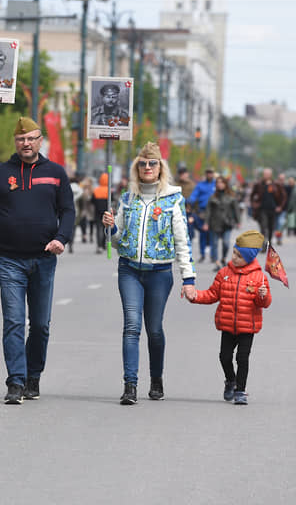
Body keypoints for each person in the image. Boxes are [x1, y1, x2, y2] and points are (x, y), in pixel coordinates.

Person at [0, 117, 75, 404]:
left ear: (40, 140)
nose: (26, 144)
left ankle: (34, 375)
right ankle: (15, 381)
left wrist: (61, 238)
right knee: (14, 322)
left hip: (44, 258)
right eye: (21, 139)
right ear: (15, 142)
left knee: (40, 324)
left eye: (31, 138)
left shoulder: (55, 173)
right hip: (9, 260)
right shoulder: (0, 173)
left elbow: (68, 211)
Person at [101, 142, 196, 405]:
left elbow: (182, 241)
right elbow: (118, 240)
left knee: (153, 329)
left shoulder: (173, 199)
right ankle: (130, 385)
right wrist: (109, 229)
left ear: (160, 167)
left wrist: (188, 279)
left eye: (152, 163)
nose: (147, 168)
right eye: (142, 164)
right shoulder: (127, 198)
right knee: (131, 326)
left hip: (159, 272)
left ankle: (156, 378)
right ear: (136, 168)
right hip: (129, 269)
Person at [188, 230, 272, 405]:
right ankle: (230, 380)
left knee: (242, 358)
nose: (234, 257)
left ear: (249, 258)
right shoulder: (224, 273)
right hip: (227, 325)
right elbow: (212, 294)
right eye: (234, 252)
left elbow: (264, 303)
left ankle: (240, 391)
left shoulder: (259, 278)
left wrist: (262, 295)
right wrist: (195, 296)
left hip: (247, 326)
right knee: (224, 357)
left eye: (239, 256)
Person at [205, 175, 240, 271]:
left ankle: (223, 258)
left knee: (226, 243)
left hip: (227, 223)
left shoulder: (231, 197)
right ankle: (217, 262)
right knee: (215, 244)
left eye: (222, 183)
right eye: (218, 183)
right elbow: (208, 211)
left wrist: (238, 221)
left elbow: (236, 210)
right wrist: (206, 223)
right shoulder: (212, 197)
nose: (220, 185)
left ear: (225, 184)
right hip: (215, 223)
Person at [250, 168, 286, 247]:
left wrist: (280, 206)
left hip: (273, 209)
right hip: (262, 209)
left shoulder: (276, 185)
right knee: (263, 227)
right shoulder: (259, 184)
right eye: (265, 174)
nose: (266, 175)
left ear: (271, 175)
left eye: (268, 174)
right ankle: (263, 243)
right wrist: (254, 204)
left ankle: (269, 241)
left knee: (271, 228)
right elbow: (252, 195)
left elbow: (283, 196)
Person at [188, 168, 216, 262]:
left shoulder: (216, 184)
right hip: (202, 212)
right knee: (203, 233)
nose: (209, 174)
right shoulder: (200, 185)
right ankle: (202, 254)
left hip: (214, 212)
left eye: (211, 173)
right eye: (208, 173)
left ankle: (213, 255)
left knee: (213, 234)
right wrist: (189, 201)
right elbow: (194, 196)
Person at [92, 172, 110, 254]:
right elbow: (112, 201)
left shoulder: (96, 190)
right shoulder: (109, 191)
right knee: (105, 228)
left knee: (98, 229)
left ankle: (99, 246)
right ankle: (103, 244)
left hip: (97, 213)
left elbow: (92, 201)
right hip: (106, 213)